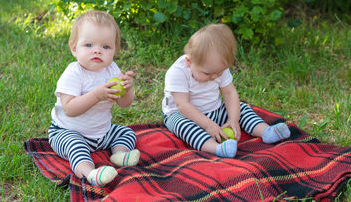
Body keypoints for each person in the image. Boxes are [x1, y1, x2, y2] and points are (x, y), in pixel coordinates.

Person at [162, 24, 291, 158]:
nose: (214, 77)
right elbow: (182, 105)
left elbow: (229, 93)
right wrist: (208, 125)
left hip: (214, 110)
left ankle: (266, 132)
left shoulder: (217, 68)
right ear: (189, 61)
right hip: (183, 114)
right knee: (184, 126)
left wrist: (233, 119)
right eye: (207, 73)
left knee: (241, 108)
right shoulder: (178, 72)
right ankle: (216, 148)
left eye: (219, 73)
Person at [48, 10, 140, 187]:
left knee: (125, 132)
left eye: (106, 47)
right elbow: (69, 109)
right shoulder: (74, 73)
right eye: (89, 45)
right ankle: (90, 173)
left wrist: (127, 90)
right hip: (67, 131)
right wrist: (96, 95)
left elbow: (124, 104)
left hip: (102, 133)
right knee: (75, 147)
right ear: (74, 48)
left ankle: (120, 154)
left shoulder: (112, 69)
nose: (97, 50)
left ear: (114, 50)